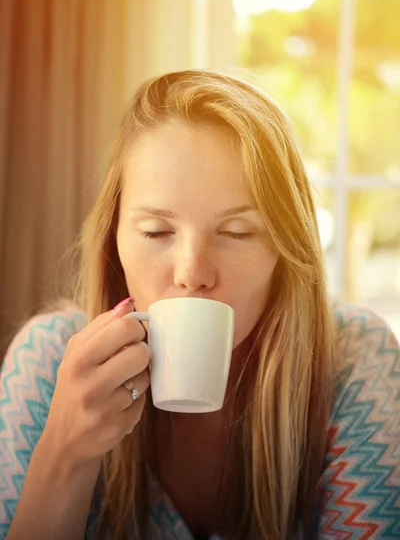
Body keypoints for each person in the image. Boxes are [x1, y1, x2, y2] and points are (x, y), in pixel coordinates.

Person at [0, 70, 399, 540]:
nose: (192, 272)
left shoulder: (353, 361)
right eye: (156, 232)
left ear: (286, 249)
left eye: (236, 233)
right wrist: (64, 457)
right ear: (115, 241)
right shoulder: (47, 363)